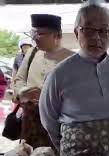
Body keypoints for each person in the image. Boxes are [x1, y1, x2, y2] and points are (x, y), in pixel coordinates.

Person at [39, 1, 109, 156]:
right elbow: (48, 120)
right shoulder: (59, 74)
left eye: (104, 31)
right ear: (76, 32)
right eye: (88, 29)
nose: (97, 37)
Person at [13, 14, 74, 148]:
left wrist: (48, 96)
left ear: (56, 35)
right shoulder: (32, 53)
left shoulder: (71, 59)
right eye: (33, 33)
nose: (34, 38)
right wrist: (23, 91)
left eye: (39, 33)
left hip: (57, 124)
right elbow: (19, 79)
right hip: (30, 122)